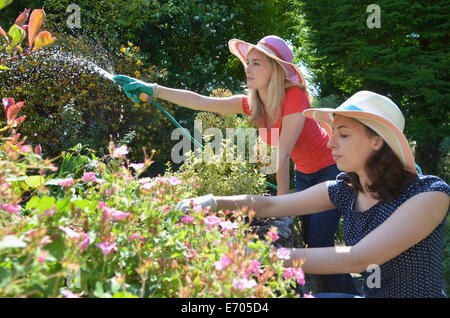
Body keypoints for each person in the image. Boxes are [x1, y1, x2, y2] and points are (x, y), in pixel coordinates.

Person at [113, 35, 356, 294]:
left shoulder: (295, 97)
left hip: (330, 170)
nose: (247, 69)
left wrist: (281, 211)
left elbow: (282, 156)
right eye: (247, 63)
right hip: (305, 173)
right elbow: (200, 101)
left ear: (275, 69)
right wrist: (155, 89)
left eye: (256, 64)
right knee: (312, 243)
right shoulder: (254, 104)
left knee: (319, 244)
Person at [176, 91, 450, 298]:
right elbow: (271, 205)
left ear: (377, 141)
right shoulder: (345, 190)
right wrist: (209, 202)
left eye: (343, 134)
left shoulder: (430, 194)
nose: (330, 143)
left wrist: (258, 254)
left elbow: (358, 258)